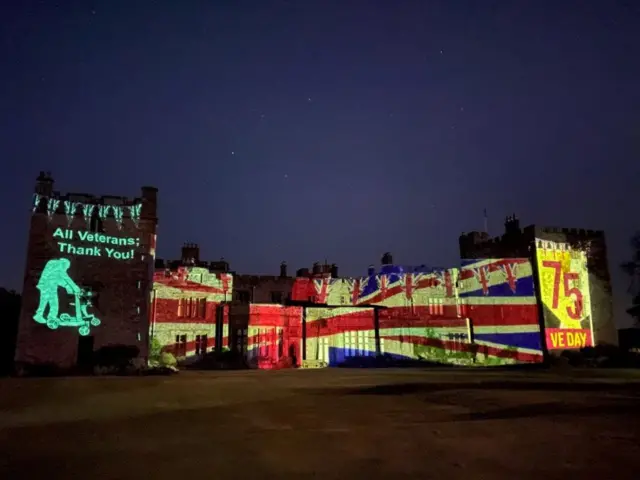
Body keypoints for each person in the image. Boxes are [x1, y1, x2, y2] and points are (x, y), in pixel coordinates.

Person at [33, 258, 81, 325]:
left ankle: (47, 316)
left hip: (47, 285)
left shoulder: (54, 268)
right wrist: (74, 287)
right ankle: (43, 316)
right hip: (48, 286)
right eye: (66, 267)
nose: (66, 269)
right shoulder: (59, 264)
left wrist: (68, 286)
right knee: (51, 302)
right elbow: (65, 277)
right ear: (65, 264)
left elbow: (58, 279)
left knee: (49, 302)